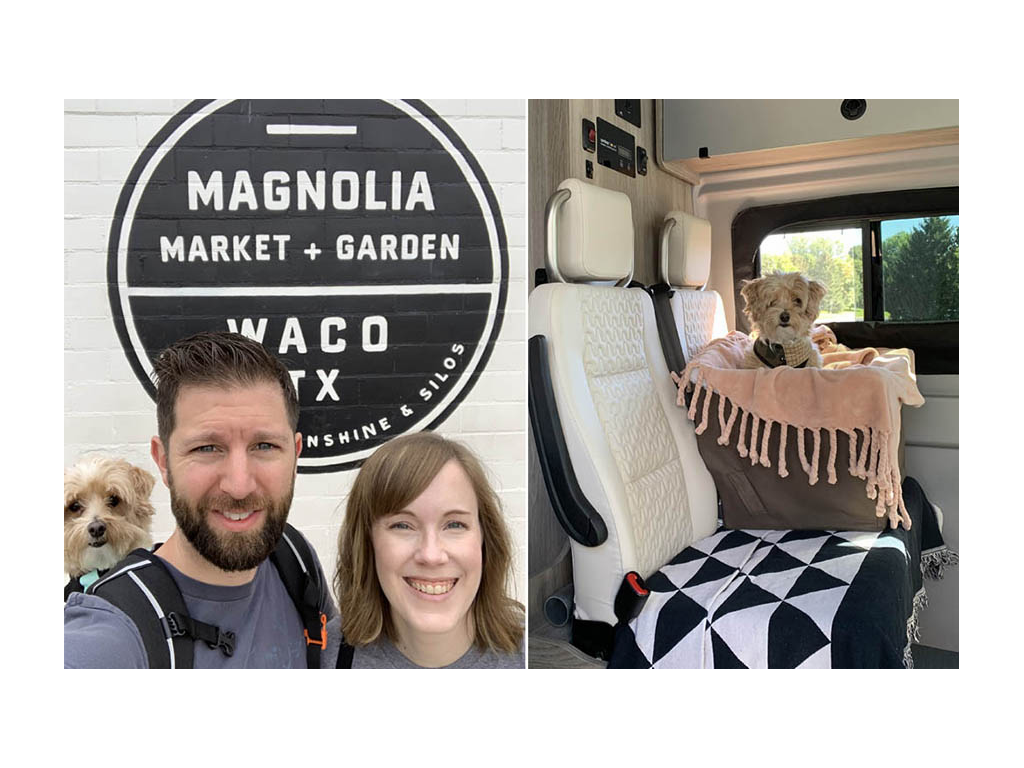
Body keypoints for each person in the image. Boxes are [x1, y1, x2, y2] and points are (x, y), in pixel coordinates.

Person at [64, 331, 336, 668]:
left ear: (295, 456)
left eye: (264, 446)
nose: (239, 486)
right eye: (206, 448)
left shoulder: (294, 559)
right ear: (163, 461)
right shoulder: (114, 629)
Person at [325, 432, 524, 668]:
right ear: (368, 543)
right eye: (402, 525)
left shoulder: (530, 654)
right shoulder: (324, 656)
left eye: (454, 525)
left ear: (485, 539)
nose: (431, 555)